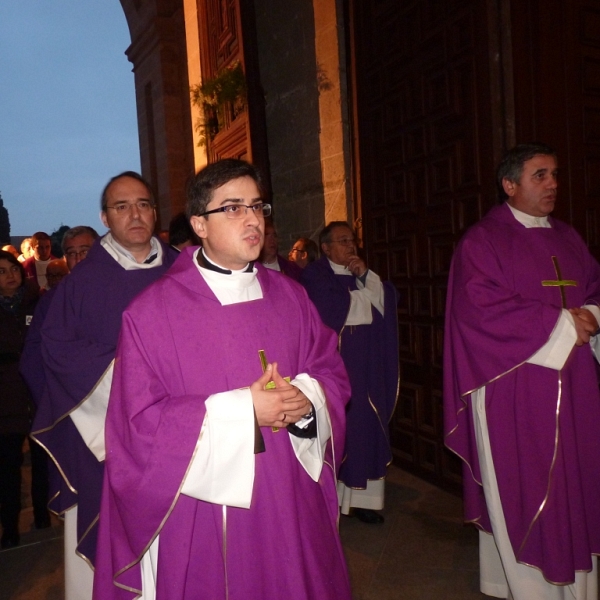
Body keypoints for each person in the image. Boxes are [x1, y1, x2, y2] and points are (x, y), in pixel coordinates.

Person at [93, 159, 352, 600]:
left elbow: (329, 370)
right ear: (200, 224)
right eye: (232, 208)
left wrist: (306, 403)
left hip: (290, 497)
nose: (252, 219)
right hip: (208, 509)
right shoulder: (152, 312)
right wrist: (244, 411)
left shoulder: (292, 296)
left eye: (257, 206)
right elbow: (137, 427)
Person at [444, 143, 600, 599]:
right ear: (509, 185)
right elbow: (479, 309)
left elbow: (593, 285)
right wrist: (564, 322)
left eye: (554, 174)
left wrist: (591, 311)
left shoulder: (568, 237)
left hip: (578, 386)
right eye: (540, 175)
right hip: (513, 387)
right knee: (526, 489)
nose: (553, 183)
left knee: (580, 481)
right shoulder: (482, 241)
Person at [29, 173, 176, 600]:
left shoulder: (182, 269)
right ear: (105, 217)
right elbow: (55, 350)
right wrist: (130, 371)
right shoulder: (80, 284)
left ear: (155, 210)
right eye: (122, 206)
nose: (135, 214)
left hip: (179, 426)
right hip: (108, 428)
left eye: (144, 204)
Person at [300, 222, 398, 524]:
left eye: (352, 240)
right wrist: (365, 297)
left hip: (368, 366)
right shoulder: (315, 275)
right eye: (343, 241)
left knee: (368, 425)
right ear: (326, 247)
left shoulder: (360, 273)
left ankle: (365, 500)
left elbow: (384, 300)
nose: (350, 246)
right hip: (339, 369)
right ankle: (335, 500)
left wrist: (365, 278)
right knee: (344, 429)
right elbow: (333, 310)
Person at [0, 251, 38, 548]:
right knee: (9, 466)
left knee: (41, 459)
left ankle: (44, 516)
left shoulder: (36, 300)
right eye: (1, 271)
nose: (10, 275)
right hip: (6, 398)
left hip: (36, 391)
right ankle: (10, 526)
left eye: (12, 268)